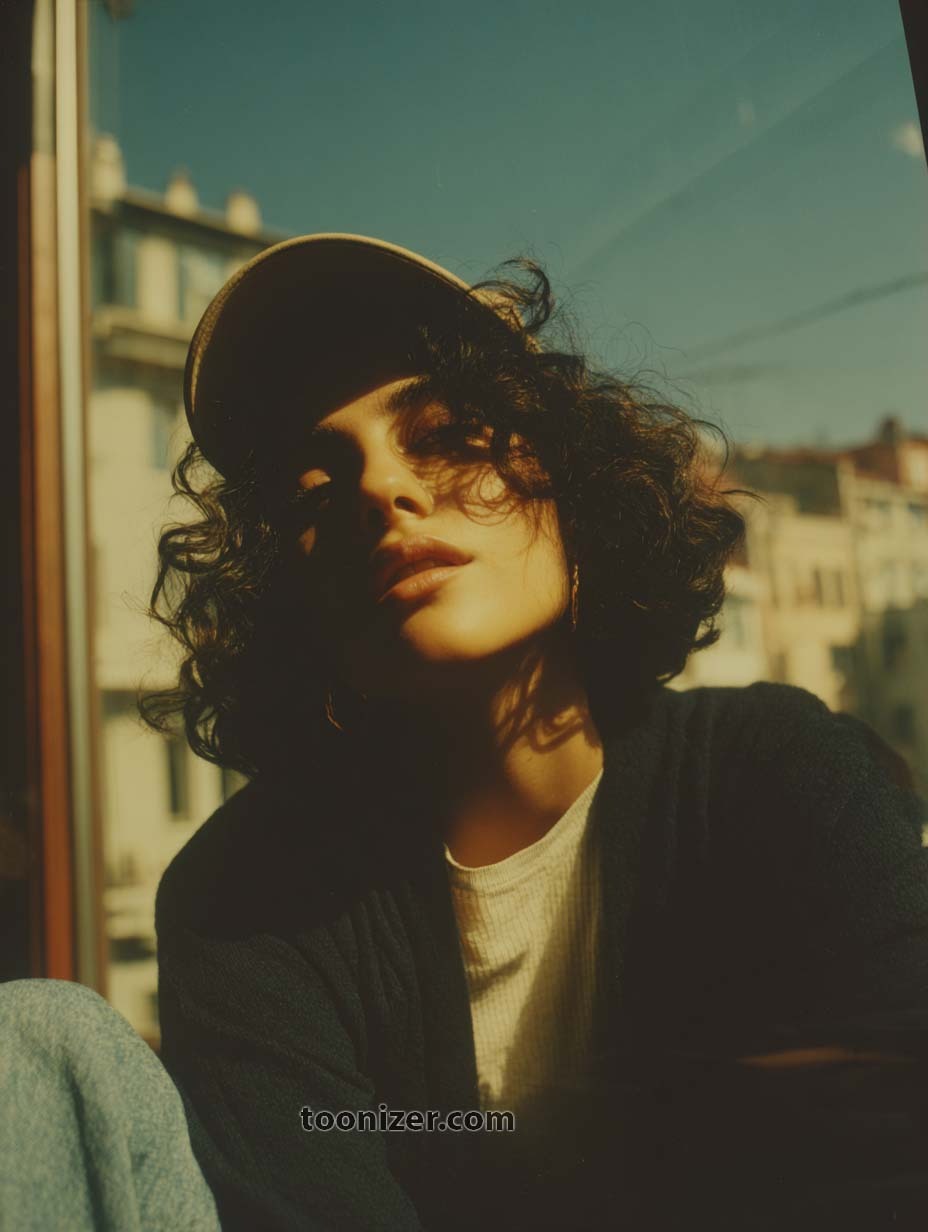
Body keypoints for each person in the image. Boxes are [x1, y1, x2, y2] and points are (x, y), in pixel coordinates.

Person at [148, 234, 928, 1231]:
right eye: (313, 489)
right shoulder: (241, 901)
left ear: (572, 483)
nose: (384, 489)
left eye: (447, 433)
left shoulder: (779, 781)